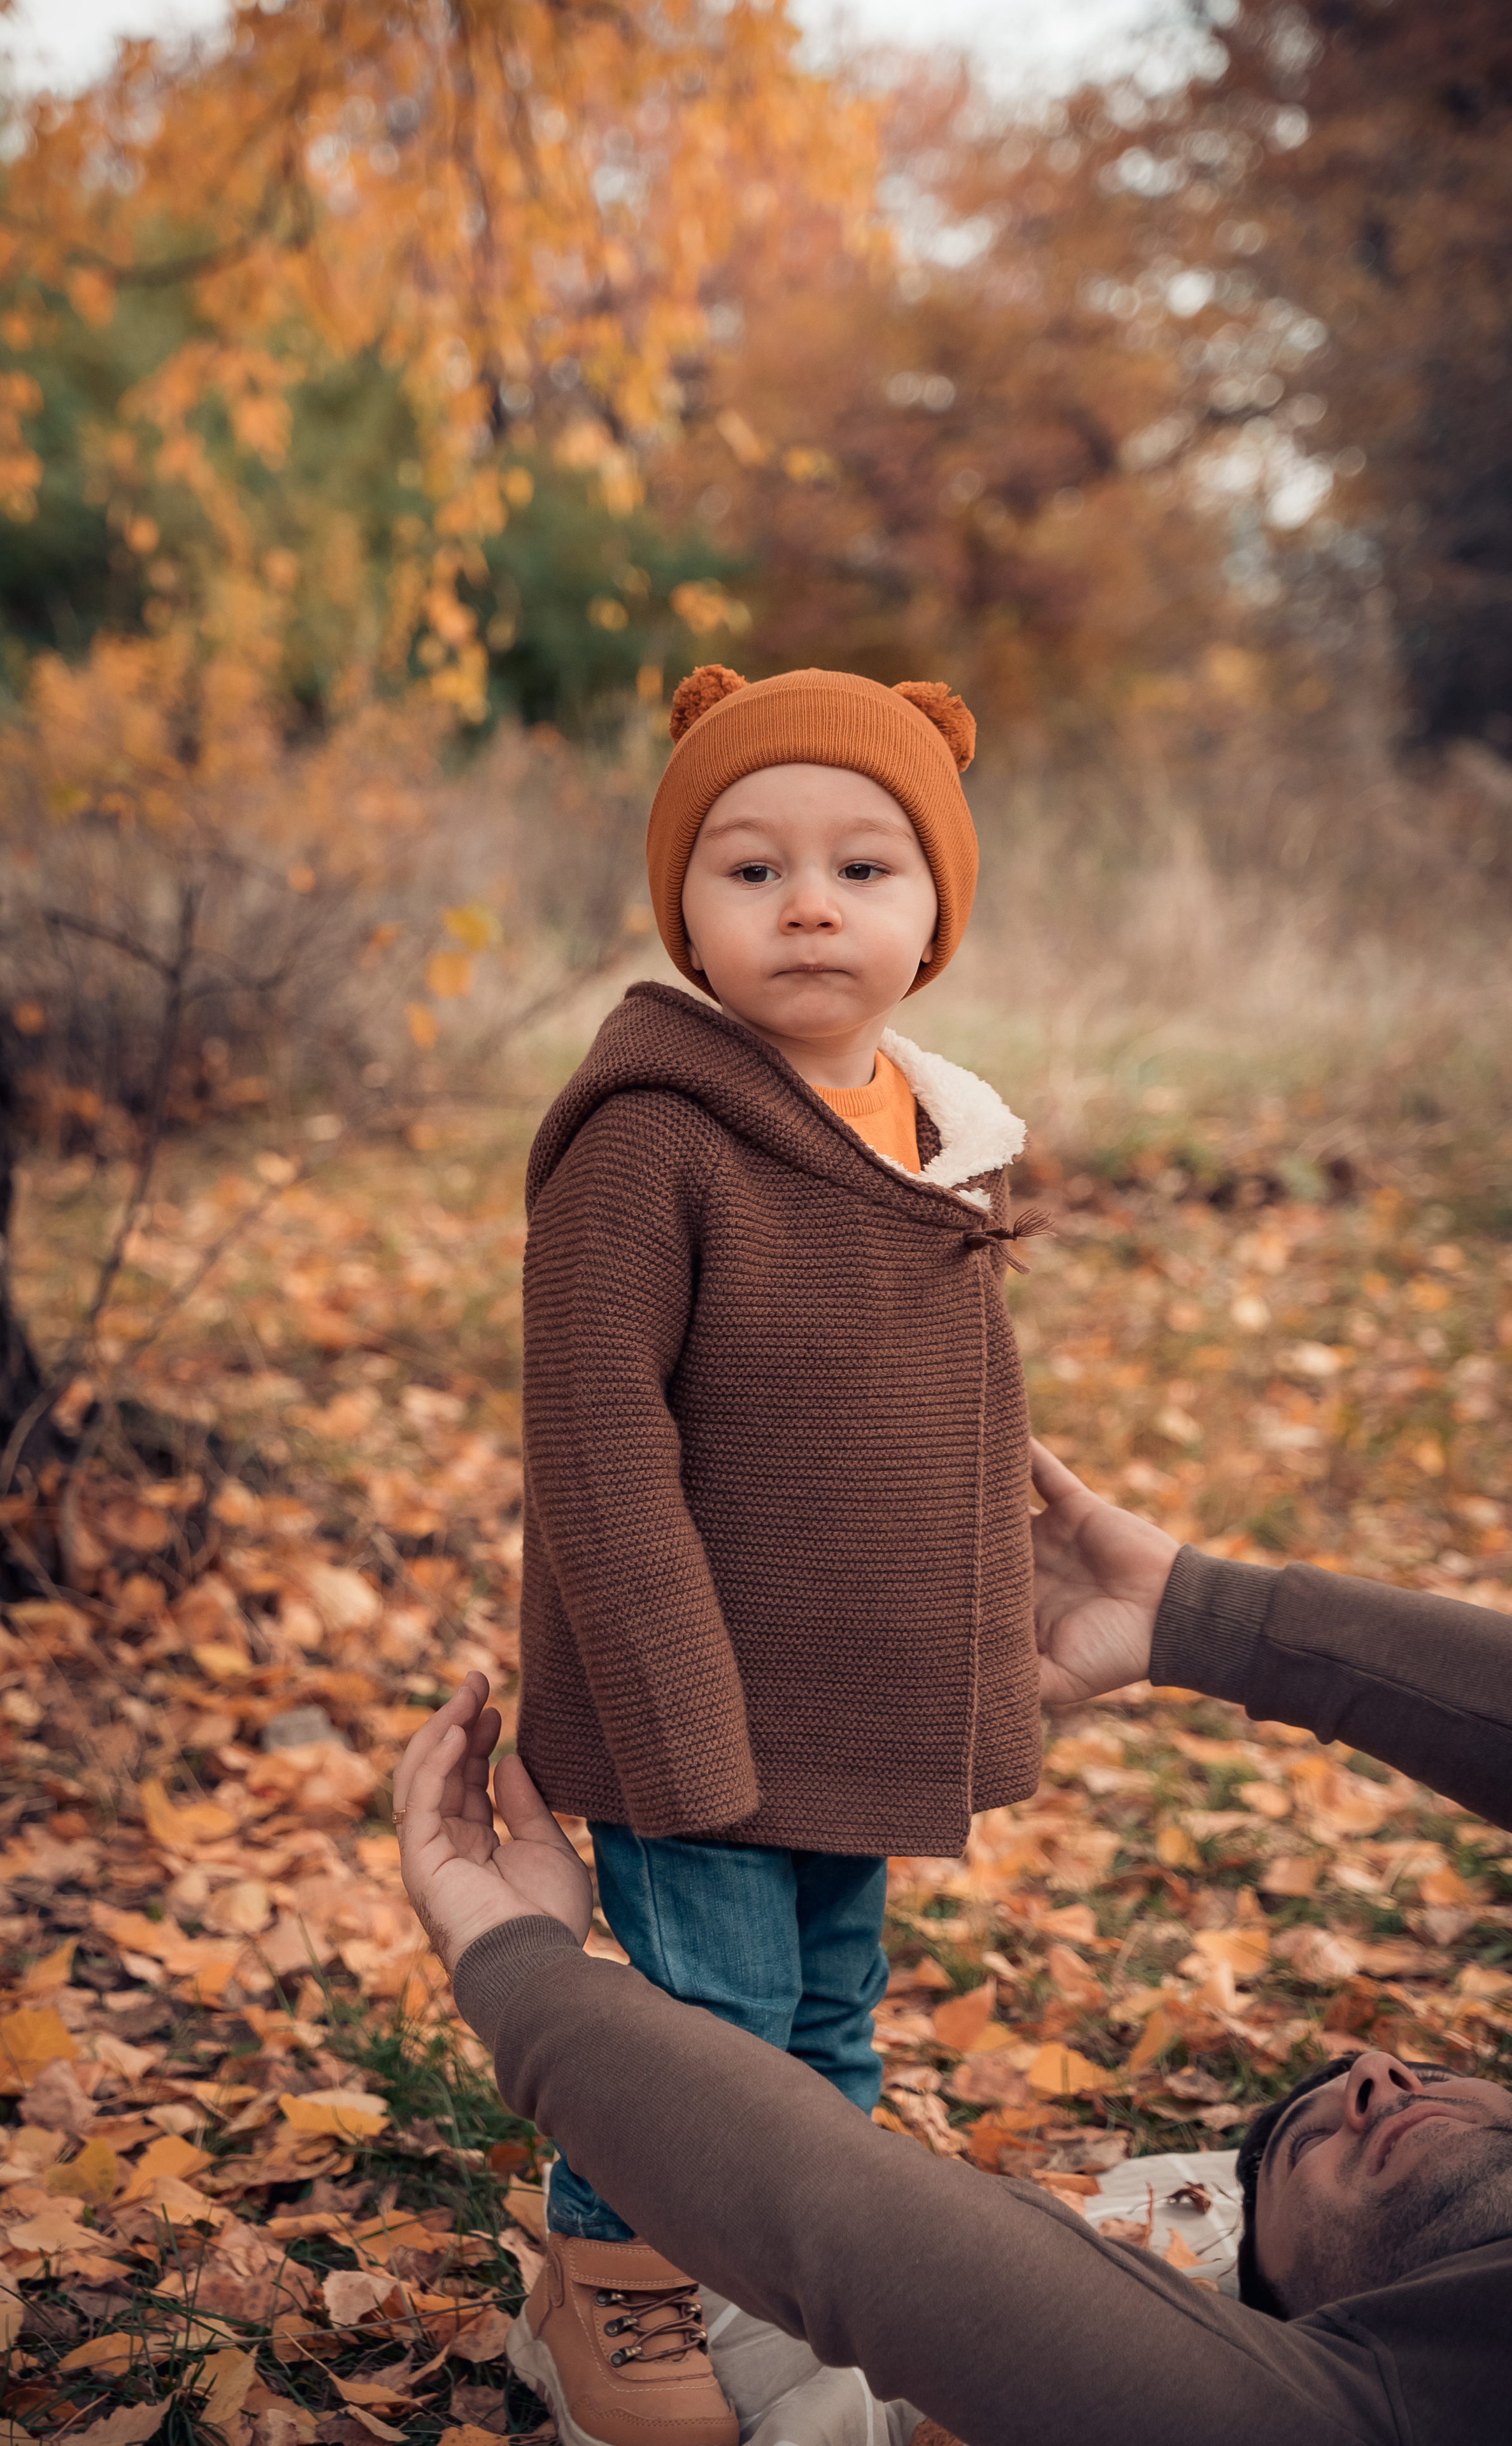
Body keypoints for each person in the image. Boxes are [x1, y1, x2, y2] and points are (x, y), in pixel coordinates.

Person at [393, 1441, 1512, 2446]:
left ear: (1270, 2330)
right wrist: (1198, 1611)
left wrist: (528, 1977)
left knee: (795, 2024)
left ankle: (608, 2264)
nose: (1375, 2073)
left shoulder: (1362, 2409)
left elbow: (876, 2229)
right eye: (1417, 2067)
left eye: (1308, 2147)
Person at [511, 662, 1046, 2446]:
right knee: (706, 2024)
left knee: (829, 2017)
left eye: (865, 868)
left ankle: (795, 2289)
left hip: (855, 1700)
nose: (809, 902)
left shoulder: (937, 1141)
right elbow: (597, 1444)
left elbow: (942, 1437)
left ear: (934, 916)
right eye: (750, 869)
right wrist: (673, 1723)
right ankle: (612, 2307)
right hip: (699, 1699)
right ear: (684, 907)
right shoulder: (652, 1141)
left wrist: (988, 1672)